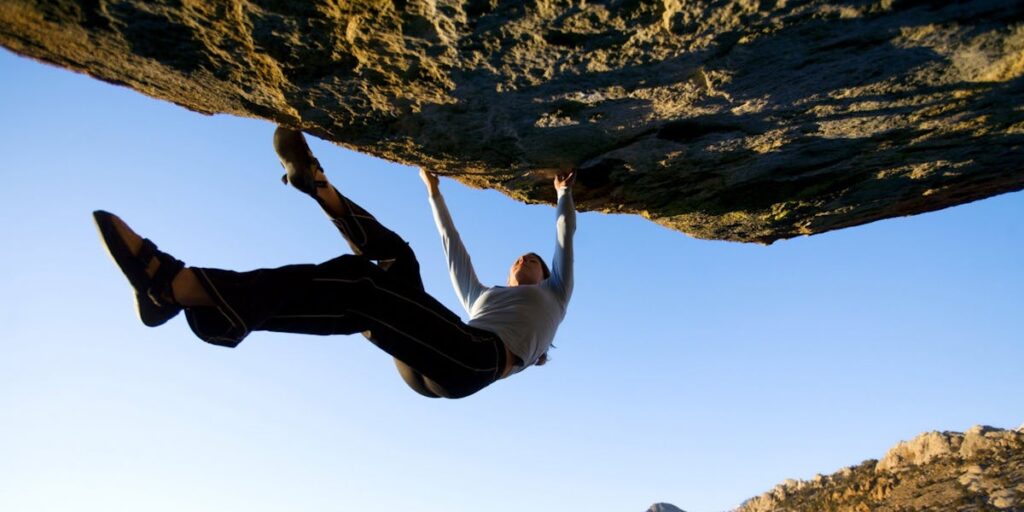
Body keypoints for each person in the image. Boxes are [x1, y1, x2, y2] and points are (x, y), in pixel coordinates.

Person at [93, 127, 576, 399]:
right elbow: (453, 247)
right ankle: (322, 188)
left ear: (543, 275)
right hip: (437, 346)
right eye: (519, 257)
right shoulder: (484, 297)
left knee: (364, 291)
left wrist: (563, 194)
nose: (522, 259)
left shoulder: (554, 296)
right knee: (395, 260)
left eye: (530, 260)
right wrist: (434, 193)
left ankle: (177, 286)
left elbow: (563, 239)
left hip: (474, 361)